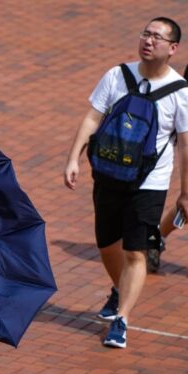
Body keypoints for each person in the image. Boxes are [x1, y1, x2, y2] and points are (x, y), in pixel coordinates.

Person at [64, 17, 188, 349]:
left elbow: (186, 145)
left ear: (173, 48)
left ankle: (122, 320)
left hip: (150, 182)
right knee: (107, 245)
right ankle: (119, 288)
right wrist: (74, 157)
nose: (148, 41)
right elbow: (93, 116)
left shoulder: (181, 93)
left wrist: (185, 193)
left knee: (136, 251)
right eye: (145, 34)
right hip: (109, 174)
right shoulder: (116, 75)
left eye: (157, 37)